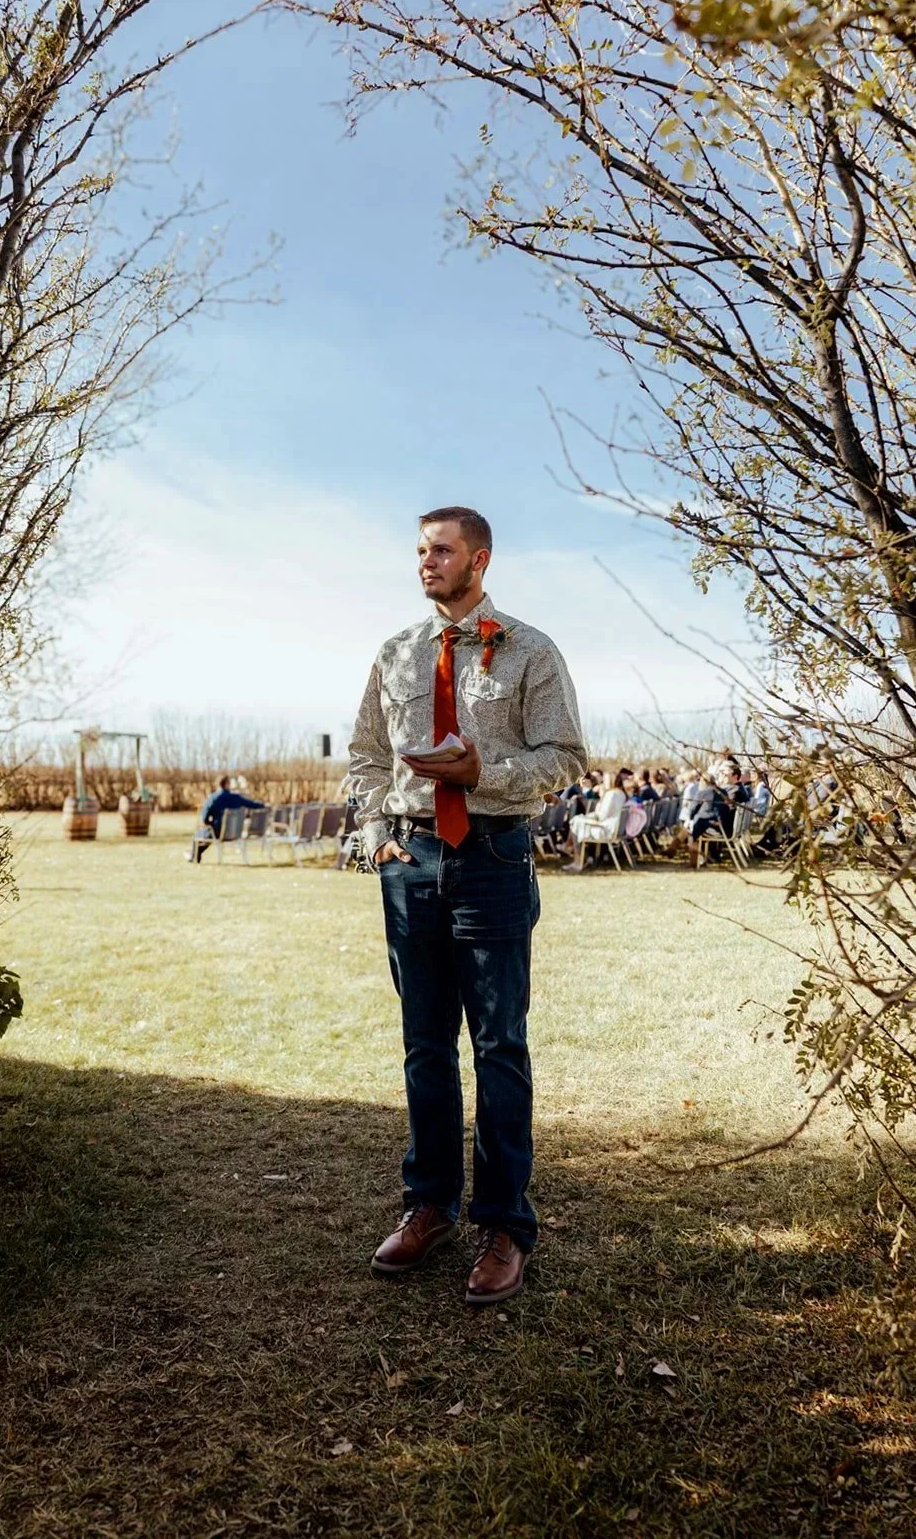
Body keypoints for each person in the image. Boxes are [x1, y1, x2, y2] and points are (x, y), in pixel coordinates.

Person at [348, 505, 586, 1306]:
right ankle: (428, 1206)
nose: (426, 561)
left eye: (441, 550)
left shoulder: (529, 650)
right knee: (424, 1045)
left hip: (492, 856)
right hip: (409, 860)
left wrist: (483, 774)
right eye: (420, 550)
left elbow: (565, 757)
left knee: (498, 1046)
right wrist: (375, 831)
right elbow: (366, 754)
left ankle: (504, 1224)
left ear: (478, 560)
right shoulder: (395, 652)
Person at [189, 775, 266, 862]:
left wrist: (209, 823)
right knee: (208, 833)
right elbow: (252, 804)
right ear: (227, 784)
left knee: (199, 835)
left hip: (218, 832)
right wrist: (263, 805)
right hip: (236, 832)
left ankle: (194, 856)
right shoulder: (236, 797)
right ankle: (195, 855)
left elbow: (204, 818)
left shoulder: (213, 798)